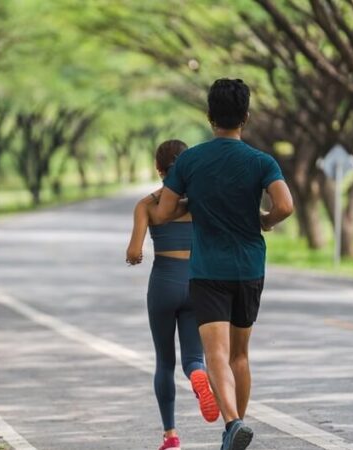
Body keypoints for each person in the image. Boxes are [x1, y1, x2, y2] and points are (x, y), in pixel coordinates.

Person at [150, 79, 294, 450]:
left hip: (208, 271)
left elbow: (164, 212)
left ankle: (232, 424)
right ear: (245, 117)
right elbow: (285, 205)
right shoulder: (261, 161)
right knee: (240, 354)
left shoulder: (191, 160)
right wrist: (264, 220)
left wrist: (190, 202)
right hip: (249, 267)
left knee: (214, 353)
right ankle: (235, 429)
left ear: (209, 116)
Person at [126, 140, 220, 450]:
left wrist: (134, 255)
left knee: (164, 362)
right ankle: (198, 377)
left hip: (164, 283)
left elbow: (135, 252)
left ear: (158, 169)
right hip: (195, 282)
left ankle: (171, 437)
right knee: (194, 358)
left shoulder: (147, 206)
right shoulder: (200, 201)